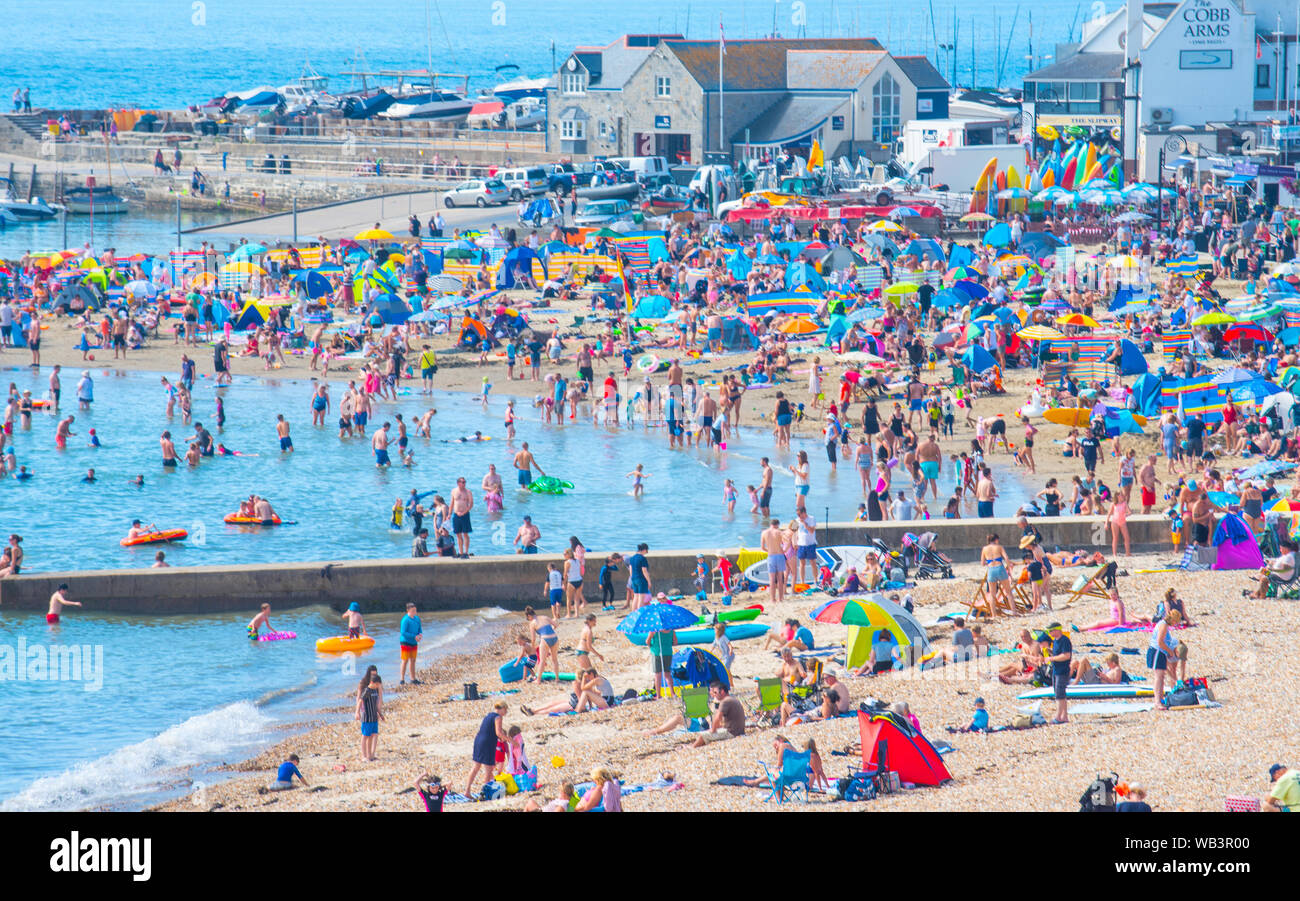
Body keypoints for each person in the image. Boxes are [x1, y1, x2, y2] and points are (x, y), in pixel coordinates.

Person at [467, 701, 509, 797]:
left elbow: (490, 731)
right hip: (487, 743)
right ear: (502, 709)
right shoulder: (498, 717)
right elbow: (498, 733)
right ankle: (484, 793)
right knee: (488, 769)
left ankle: (467, 791)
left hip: (478, 741)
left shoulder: (488, 715)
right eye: (505, 710)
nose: (505, 712)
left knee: (475, 767)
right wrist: (510, 740)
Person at [689, 681, 746, 747]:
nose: (714, 695)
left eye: (715, 692)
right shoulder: (732, 699)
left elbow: (718, 717)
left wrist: (713, 730)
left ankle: (691, 748)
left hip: (732, 733)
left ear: (722, 692)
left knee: (703, 736)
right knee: (706, 736)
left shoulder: (725, 701)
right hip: (739, 731)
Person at [1147, 608, 1182, 710]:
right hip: (1157, 651)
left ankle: (1160, 699)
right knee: (1158, 676)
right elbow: (1160, 642)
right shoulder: (1163, 625)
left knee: (1161, 676)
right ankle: (1157, 702)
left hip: (1160, 652)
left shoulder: (1164, 625)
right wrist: (1170, 651)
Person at [1045, 622, 1072, 724]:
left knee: (1059, 694)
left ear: (1057, 630)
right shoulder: (1055, 641)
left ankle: (1058, 717)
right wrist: (1051, 652)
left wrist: (1051, 658)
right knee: (1060, 694)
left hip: (1062, 670)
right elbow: (1059, 654)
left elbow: (1066, 655)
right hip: (1056, 670)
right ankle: (1064, 716)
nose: (1050, 633)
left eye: (1051, 631)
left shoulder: (1064, 640)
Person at [355, 672, 383, 761]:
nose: (378, 686)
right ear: (372, 682)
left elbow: (375, 705)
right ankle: (364, 756)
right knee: (365, 736)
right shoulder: (367, 690)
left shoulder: (375, 691)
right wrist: (357, 712)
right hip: (367, 718)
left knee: (373, 735)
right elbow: (360, 701)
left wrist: (380, 714)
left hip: (374, 717)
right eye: (377, 684)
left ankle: (370, 755)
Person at [647, 624, 677, 696]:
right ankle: (673, 693)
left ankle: (658, 695)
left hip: (657, 653)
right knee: (667, 674)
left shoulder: (654, 630)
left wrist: (651, 646)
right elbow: (675, 642)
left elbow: (647, 641)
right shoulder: (671, 630)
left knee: (658, 674)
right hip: (668, 652)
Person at [399, 603, 423, 685]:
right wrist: (414, 636)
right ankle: (402, 680)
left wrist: (420, 635)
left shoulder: (417, 618)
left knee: (413, 660)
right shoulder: (405, 619)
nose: (414, 612)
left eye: (415, 610)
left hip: (414, 642)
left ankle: (413, 679)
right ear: (408, 611)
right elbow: (403, 632)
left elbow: (420, 629)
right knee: (405, 660)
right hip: (405, 642)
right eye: (413, 611)